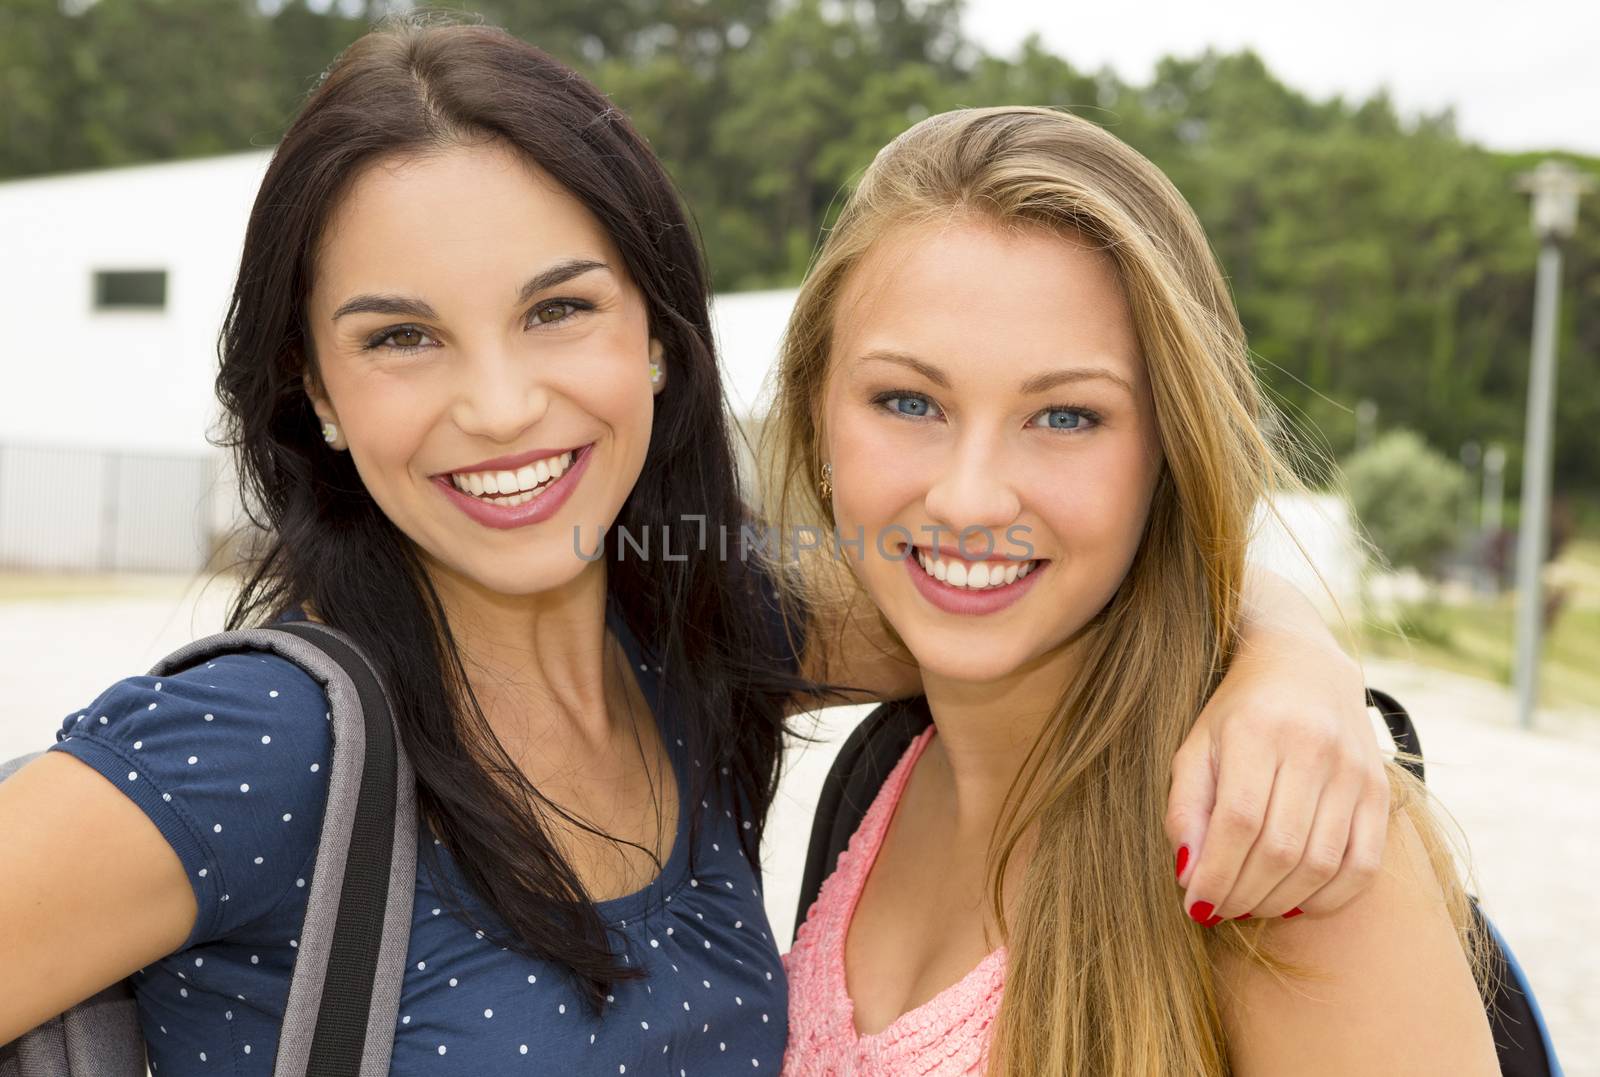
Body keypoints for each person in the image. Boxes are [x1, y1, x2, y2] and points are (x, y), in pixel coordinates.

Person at [0, 22, 1387, 1075]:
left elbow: (1044, 572)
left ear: (656, 337)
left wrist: (1294, 664)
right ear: (314, 386)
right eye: (401, 337)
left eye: (558, 312)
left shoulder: (702, 645)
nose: (497, 405)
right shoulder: (258, 742)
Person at [773, 106, 1499, 1075]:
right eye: (908, 402)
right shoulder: (888, 766)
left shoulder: (1289, 839)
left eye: (1066, 415)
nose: (970, 496)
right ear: (815, 408)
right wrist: (1285, 634)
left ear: (1168, 449)